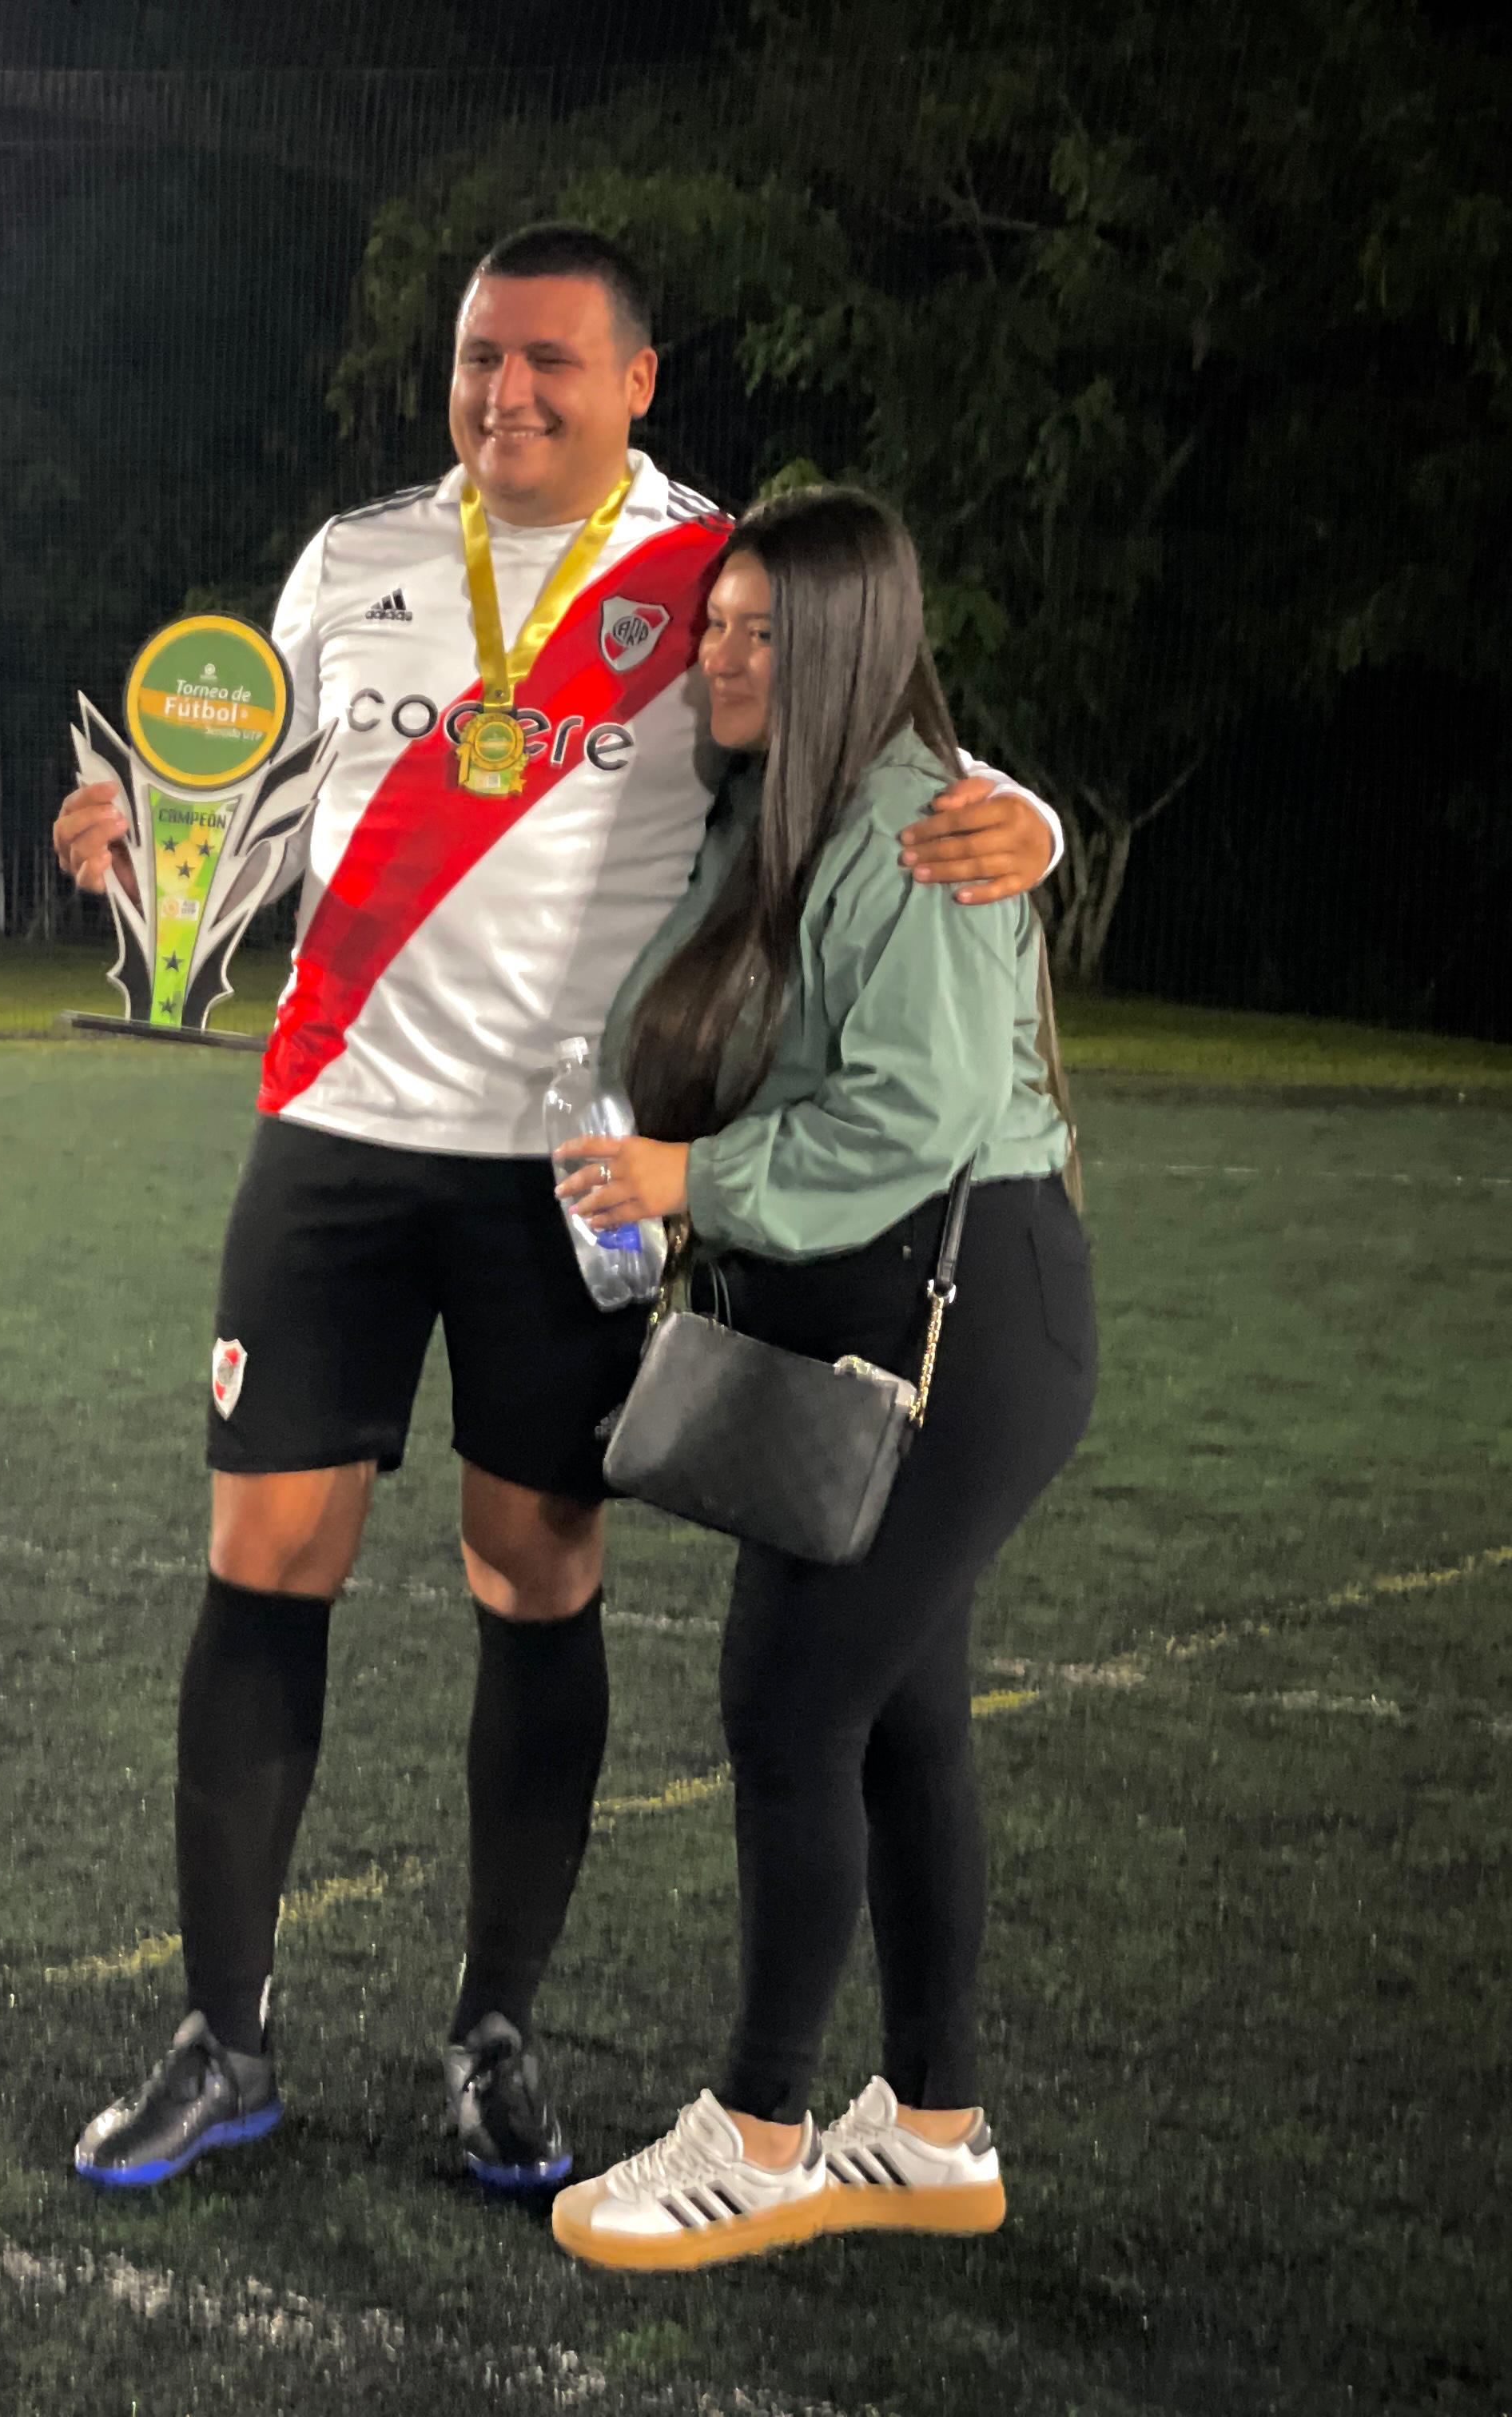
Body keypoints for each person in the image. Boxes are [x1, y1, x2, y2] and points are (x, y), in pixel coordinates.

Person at [60, 224, 1068, 2196]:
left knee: (536, 1579)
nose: (504, 395)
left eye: (547, 363)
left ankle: (495, 2037)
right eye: (475, 361)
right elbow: (241, 825)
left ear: (639, 378)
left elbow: (868, 719)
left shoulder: (708, 575)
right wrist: (128, 855)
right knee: (263, 1560)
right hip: (338, 1133)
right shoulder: (354, 564)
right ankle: (223, 2037)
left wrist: (1013, 807)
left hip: (571, 1173)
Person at [546, 487, 1092, 2270]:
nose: (721, 653)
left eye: (764, 630)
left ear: (852, 645)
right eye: (715, 622)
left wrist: (691, 1183)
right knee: (900, 1713)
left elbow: (920, 1115)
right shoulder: (774, 812)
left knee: (791, 1709)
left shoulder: (923, 831)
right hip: (873, 1322)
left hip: (959, 1322)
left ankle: (762, 2130)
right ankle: (932, 2127)